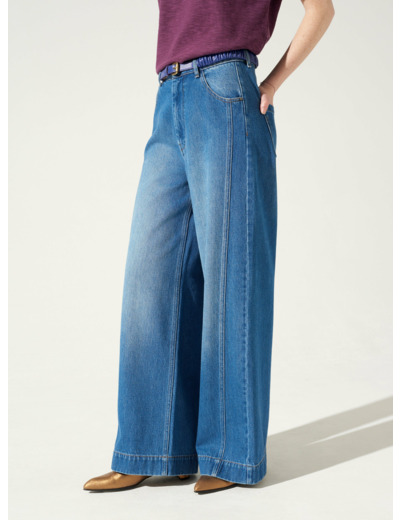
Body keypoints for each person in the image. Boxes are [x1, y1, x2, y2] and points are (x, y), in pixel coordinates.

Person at [83, 0, 335, 494]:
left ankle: (230, 451)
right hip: (168, 96)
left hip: (227, 90)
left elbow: (321, 10)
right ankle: (153, 446)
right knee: (150, 280)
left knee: (232, 280)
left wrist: (271, 83)